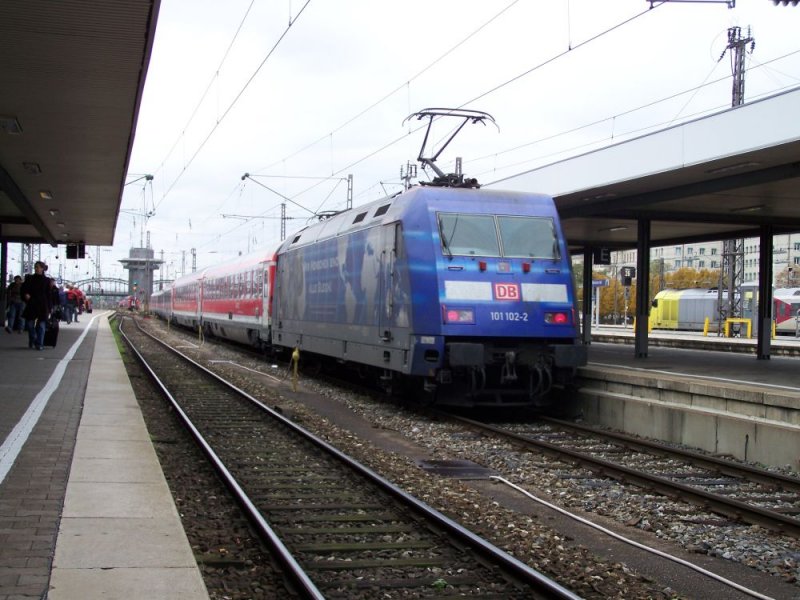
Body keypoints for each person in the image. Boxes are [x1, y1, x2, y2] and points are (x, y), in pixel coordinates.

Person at [21, 261, 52, 350]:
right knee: (30, 325)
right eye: (35, 267)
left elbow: (48, 294)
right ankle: (33, 338)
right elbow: (23, 289)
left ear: (42, 269)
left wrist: (50, 307)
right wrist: (25, 294)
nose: (36, 268)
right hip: (31, 303)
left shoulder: (46, 280)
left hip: (42, 305)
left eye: (38, 267)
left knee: (41, 326)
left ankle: (39, 344)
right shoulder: (30, 279)